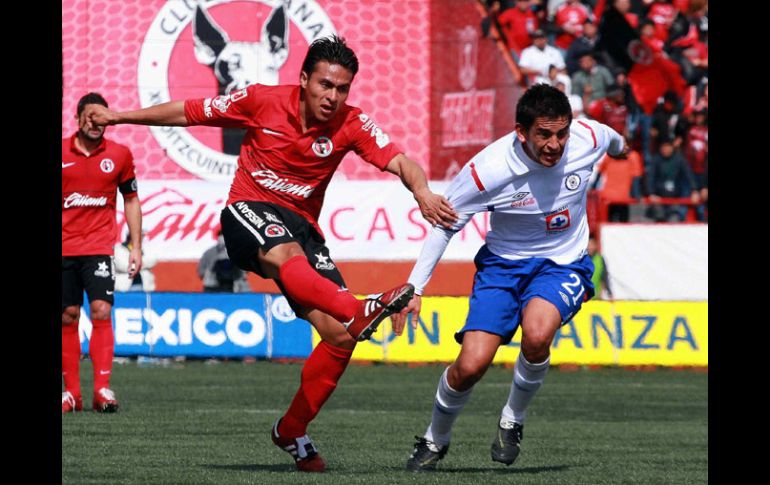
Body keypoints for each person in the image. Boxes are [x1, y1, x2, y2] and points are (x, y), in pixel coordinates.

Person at [84, 35, 457, 472]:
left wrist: (422, 191)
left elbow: (401, 162)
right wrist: (119, 115)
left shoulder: (351, 124)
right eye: (324, 85)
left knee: (340, 336)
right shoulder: (261, 101)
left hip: (303, 229)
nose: (332, 97)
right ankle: (358, 308)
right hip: (248, 211)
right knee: (290, 258)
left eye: (341, 89)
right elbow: (189, 113)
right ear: (303, 79)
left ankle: (292, 430)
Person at [391, 84, 626, 471]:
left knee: (537, 334)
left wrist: (623, 149)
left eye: (561, 133)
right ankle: (435, 440)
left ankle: (512, 418)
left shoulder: (588, 137)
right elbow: (446, 224)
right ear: (522, 132)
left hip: (562, 263)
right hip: (502, 267)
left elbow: (614, 140)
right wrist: (414, 288)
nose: (555, 144)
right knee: (471, 365)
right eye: (544, 134)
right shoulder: (488, 170)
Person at [62, 92, 144, 413]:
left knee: (100, 311)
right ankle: (72, 394)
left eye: (102, 117)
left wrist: (136, 245)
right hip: (64, 250)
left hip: (98, 248)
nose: (96, 122)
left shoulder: (121, 155)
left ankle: (102, 390)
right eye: (91, 116)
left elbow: (132, 200)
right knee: (67, 316)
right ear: (79, 118)